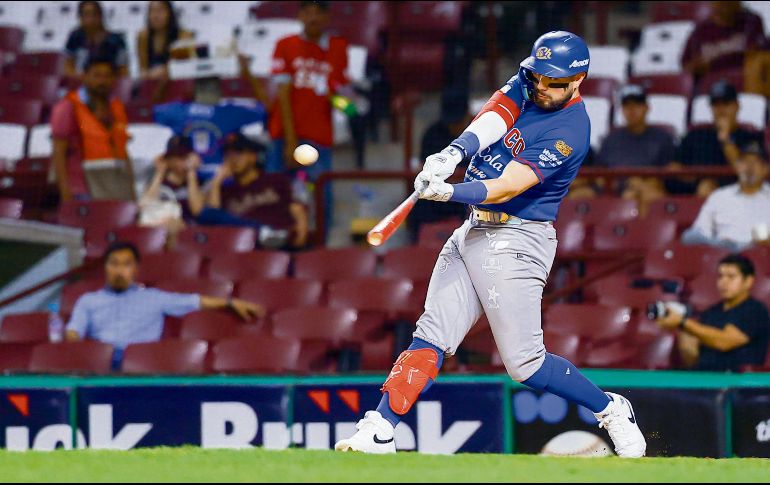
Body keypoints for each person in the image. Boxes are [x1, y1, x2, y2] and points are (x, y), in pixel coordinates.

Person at [335, 31, 646, 458]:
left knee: (526, 365)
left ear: (578, 81)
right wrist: (451, 154)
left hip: (519, 237)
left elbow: (505, 187)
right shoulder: (530, 81)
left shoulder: (572, 129)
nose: (541, 86)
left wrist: (449, 191)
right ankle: (381, 428)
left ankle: (609, 407)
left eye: (553, 81)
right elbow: (494, 117)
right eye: (538, 76)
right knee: (431, 335)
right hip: (474, 230)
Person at [65, 241, 264, 370]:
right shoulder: (88, 301)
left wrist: (229, 302)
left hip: (142, 364)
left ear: (135, 269)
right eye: (114, 263)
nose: (119, 270)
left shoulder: (154, 298)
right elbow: (74, 332)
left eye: (126, 264)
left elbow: (195, 301)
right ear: (105, 267)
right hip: (102, 366)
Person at [266, 0, 349, 182]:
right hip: (283, 134)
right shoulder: (285, 45)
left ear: (327, 17)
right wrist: (290, 141)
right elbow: (282, 95)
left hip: (319, 136)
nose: (313, 18)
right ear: (300, 16)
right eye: (307, 13)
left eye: (318, 13)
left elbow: (344, 99)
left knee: (321, 197)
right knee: (275, 196)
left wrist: (341, 103)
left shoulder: (338, 47)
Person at [657, 254, 770, 372]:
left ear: (748, 281)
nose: (723, 282)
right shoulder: (711, 312)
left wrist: (683, 323)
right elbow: (692, 359)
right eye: (720, 276)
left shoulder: (755, 311)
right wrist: (682, 330)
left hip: (738, 384)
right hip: (705, 381)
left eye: (731, 277)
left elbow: (724, 342)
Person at [200, 132, 309, 249]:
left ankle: (267, 232)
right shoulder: (226, 190)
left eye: (239, 153)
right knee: (208, 214)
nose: (233, 160)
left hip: (278, 243)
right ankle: (262, 231)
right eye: (228, 155)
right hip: (242, 244)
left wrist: (301, 235)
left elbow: (296, 208)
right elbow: (213, 217)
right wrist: (216, 181)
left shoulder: (275, 180)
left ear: (253, 156)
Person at [153, 72, 267, 180]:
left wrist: (165, 79)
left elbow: (154, 110)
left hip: (199, 175)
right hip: (211, 175)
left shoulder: (179, 111)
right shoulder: (229, 112)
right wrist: (247, 73)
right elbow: (263, 108)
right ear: (220, 90)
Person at [51, 54, 132, 202]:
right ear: (85, 77)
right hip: (81, 188)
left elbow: (123, 150)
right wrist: (65, 193)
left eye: (108, 76)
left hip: (115, 185)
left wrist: (131, 189)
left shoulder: (116, 106)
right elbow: (59, 151)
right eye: (97, 76)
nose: (102, 81)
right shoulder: (67, 107)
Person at [670, 80, 764, 196]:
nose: (721, 110)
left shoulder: (750, 136)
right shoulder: (695, 135)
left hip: (737, 193)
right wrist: (688, 176)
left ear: (737, 106)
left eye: (726, 104)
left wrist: (725, 138)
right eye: (716, 105)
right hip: (692, 191)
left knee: (707, 186)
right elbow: (674, 166)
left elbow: (745, 171)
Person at [407, 89, 473, 242]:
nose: (453, 126)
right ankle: (418, 249)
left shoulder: (479, 135)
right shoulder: (432, 134)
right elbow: (426, 170)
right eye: (450, 121)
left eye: (457, 121)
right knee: (417, 206)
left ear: (467, 115)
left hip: (467, 194)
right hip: (438, 194)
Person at [597, 84, 675, 212]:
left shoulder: (663, 139)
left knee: (644, 194)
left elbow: (670, 173)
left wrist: (641, 183)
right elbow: (600, 175)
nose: (632, 110)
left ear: (647, 108)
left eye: (637, 104)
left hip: (649, 192)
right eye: (627, 105)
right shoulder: (610, 140)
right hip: (615, 194)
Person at [681, 141, 770, 251]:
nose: (749, 167)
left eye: (755, 162)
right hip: (722, 258)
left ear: (766, 169)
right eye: (744, 162)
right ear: (737, 166)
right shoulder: (719, 197)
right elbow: (699, 232)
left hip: (761, 258)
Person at [139, 135, 205, 245]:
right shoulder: (159, 181)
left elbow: (198, 211)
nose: (177, 162)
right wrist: (159, 173)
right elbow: (146, 206)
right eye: (173, 157)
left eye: (183, 157)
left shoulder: (200, 183)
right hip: (159, 231)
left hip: (191, 234)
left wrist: (191, 172)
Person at [681, 1, 766, 84]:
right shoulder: (701, 30)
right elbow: (686, 65)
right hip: (712, 87)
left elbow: (758, 52)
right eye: (720, 2)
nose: (725, 4)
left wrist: (716, 63)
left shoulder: (751, 22)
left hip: (747, 85)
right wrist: (696, 67)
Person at [64, 1, 128, 80]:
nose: (90, 18)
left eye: (94, 14)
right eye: (86, 14)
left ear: (101, 16)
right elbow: (68, 67)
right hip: (80, 83)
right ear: (80, 17)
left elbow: (123, 70)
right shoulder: (75, 37)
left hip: (108, 84)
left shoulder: (116, 40)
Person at [137, 0, 193, 80]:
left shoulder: (183, 36)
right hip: (152, 84)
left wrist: (164, 70)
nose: (155, 16)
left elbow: (184, 67)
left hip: (178, 82)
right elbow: (143, 69)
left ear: (169, 13)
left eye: (160, 11)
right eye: (152, 11)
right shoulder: (143, 36)